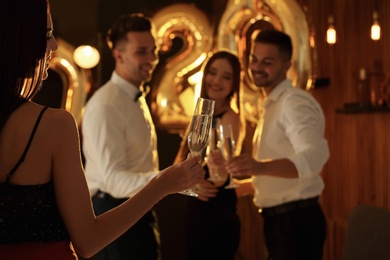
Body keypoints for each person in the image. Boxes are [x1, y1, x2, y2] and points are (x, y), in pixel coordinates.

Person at [0, 1, 203, 259]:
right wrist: (164, 183)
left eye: (153, 51)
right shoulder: (56, 124)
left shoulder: (137, 100)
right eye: (47, 35)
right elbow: (88, 240)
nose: (54, 46)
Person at [223, 29, 330, 260]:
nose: (257, 67)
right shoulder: (273, 104)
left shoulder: (293, 102)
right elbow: (277, 176)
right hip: (282, 222)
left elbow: (313, 158)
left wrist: (258, 167)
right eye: (254, 59)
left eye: (267, 62)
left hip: (295, 222)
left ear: (286, 66)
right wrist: (231, 189)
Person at [80, 13, 169, 260]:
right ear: (119, 55)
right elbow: (113, 181)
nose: (152, 58)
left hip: (139, 214)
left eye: (153, 51)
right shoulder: (106, 105)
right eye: (142, 52)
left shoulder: (134, 96)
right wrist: (168, 182)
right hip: (113, 217)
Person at [174, 50, 245, 260]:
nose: (216, 81)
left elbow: (221, 178)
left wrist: (218, 167)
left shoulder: (230, 118)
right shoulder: (201, 115)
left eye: (226, 76)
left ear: (234, 84)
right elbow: (178, 163)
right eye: (213, 73)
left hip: (218, 213)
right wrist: (190, 186)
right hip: (196, 212)